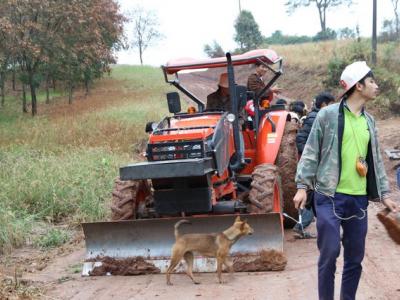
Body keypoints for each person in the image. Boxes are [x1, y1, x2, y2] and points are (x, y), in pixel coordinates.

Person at [293, 61, 399, 300]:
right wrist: (302, 186)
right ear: (358, 85)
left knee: (355, 258)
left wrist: (385, 194)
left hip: (358, 199)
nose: (376, 86)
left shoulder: (369, 121)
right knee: (329, 252)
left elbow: (376, 162)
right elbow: (310, 151)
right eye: (371, 81)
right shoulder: (327, 115)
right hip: (329, 196)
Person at [293, 92, 335, 239]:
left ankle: (321, 227)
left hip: (315, 163)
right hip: (314, 164)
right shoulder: (316, 117)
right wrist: (312, 158)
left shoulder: (315, 116)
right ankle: (301, 226)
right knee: (314, 196)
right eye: (331, 104)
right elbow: (301, 139)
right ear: (324, 104)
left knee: (315, 195)